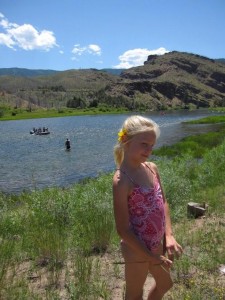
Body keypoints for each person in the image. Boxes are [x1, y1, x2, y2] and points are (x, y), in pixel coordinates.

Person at [113, 115, 183, 300]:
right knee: (134, 295)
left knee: (166, 284)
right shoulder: (122, 181)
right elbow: (123, 229)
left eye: (152, 145)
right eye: (144, 144)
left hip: (157, 245)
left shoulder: (152, 168)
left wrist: (169, 234)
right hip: (136, 249)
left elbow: (163, 201)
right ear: (126, 141)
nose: (149, 150)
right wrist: (148, 256)